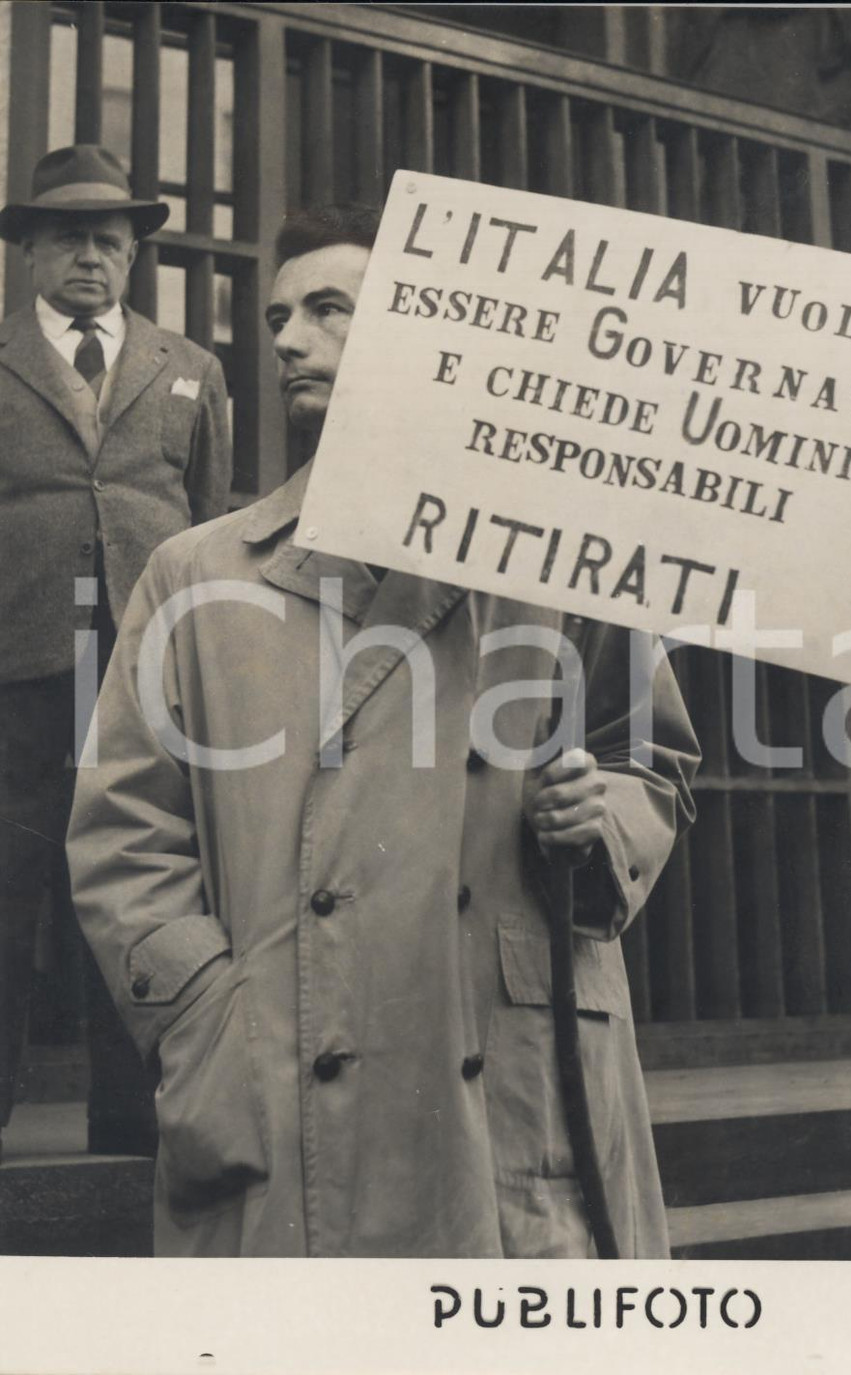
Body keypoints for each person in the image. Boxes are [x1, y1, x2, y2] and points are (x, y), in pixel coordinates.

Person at [66, 206, 700, 1258]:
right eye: (278, 316)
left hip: (504, 1081)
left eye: (327, 310)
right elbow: (123, 839)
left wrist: (602, 818)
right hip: (282, 1074)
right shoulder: (198, 571)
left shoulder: (553, 555)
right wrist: (209, 1025)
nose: (284, 340)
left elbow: (653, 763)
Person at [0, 145, 232, 1158]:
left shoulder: (191, 369)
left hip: (144, 675)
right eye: (65, 239)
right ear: (29, 255)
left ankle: (133, 1123)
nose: (86, 257)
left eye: (106, 239)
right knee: (6, 889)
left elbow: (210, 522)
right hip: (16, 672)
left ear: (132, 253)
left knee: (139, 885)